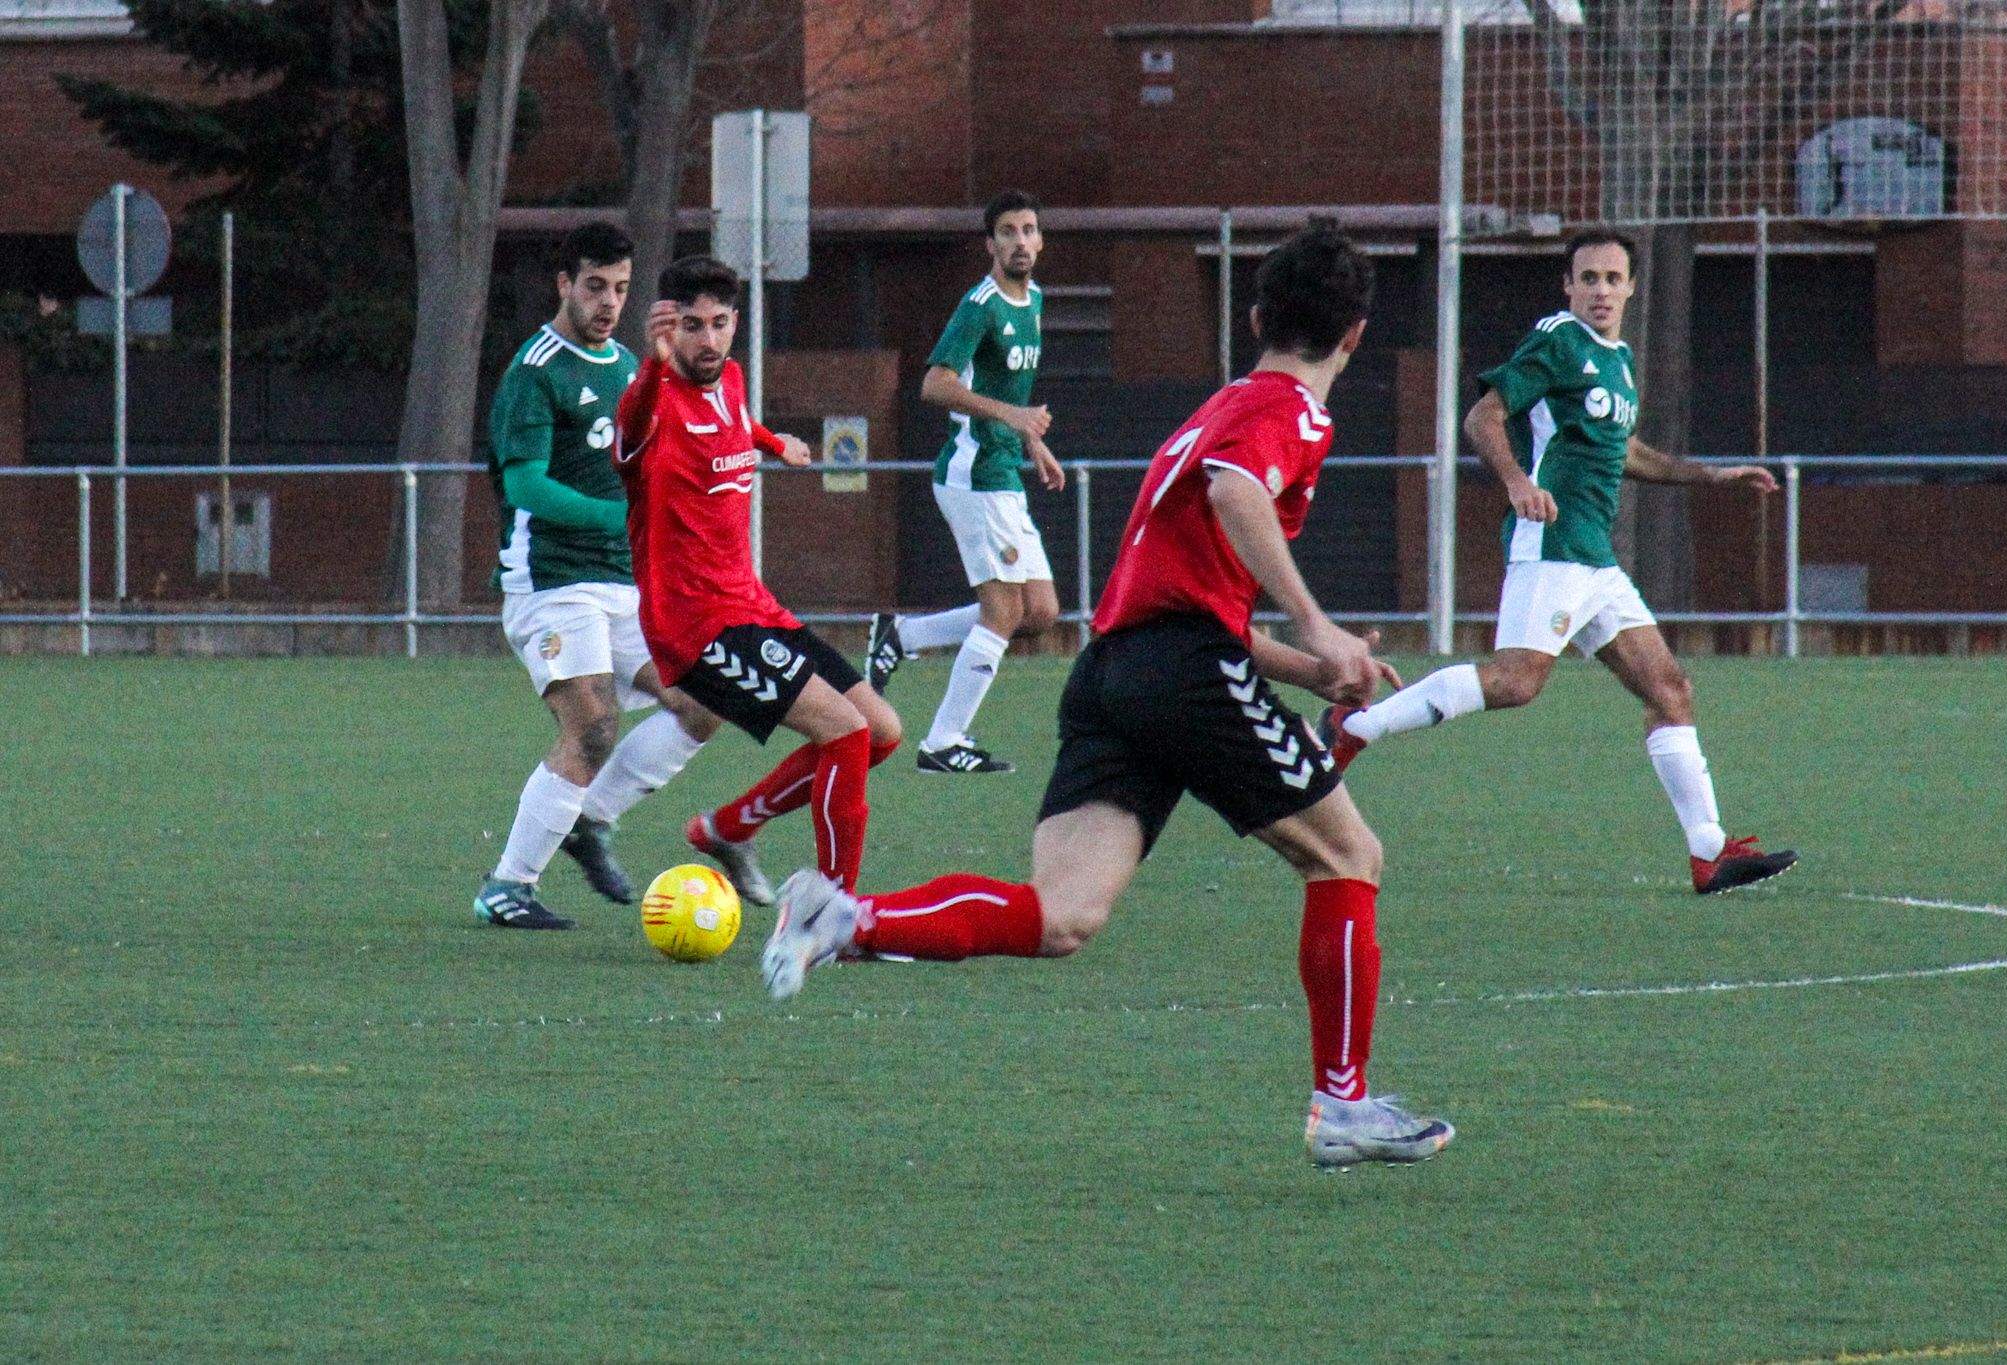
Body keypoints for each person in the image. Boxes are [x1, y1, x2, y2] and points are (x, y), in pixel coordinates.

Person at [761, 224, 1454, 1167]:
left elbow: (1195, 599)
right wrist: (1319, 624)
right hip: (1181, 671)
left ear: (1256, 318)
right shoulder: (1290, 410)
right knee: (1349, 855)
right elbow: (1238, 496)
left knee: (1060, 916)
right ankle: (1343, 1103)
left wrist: (1314, 664)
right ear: (1357, 335)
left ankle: (846, 919)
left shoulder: (1219, 407)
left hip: (1116, 671)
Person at [1323, 228, 1796, 896]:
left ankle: (1709, 852)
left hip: (1594, 559)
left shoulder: (1619, 360)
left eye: (1613, 278)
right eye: (1589, 278)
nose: (1601, 290)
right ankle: (1355, 726)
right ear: (1568, 285)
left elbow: (1625, 451)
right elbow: (1483, 418)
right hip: (1551, 545)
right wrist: (1517, 482)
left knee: (1670, 690)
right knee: (1516, 682)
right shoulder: (1558, 339)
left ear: (1632, 288)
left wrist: (1712, 476)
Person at [613, 254, 903, 905]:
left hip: (751, 604)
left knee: (881, 731)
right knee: (845, 731)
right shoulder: (653, 403)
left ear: (735, 323)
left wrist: (775, 443)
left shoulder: (733, 379)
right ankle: (833, 916)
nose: (708, 340)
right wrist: (653, 365)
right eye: (692, 326)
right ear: (668, 328)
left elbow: (736, 423)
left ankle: (730, 827)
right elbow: (629, 433)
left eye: (719, 323)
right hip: (696, 626)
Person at [474, 222, 720, 931]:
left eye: (620, 287)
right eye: (594, 286)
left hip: (623, 583)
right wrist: (619, 518)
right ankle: (508, 886)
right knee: (592, 725)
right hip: (551, 583)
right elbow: (524, 485)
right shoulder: (535, 370)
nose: (609, 302)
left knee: (704, 702)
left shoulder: (627, 366)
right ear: (564, 285)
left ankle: (589, 818)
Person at [863, 190, 1063, 775]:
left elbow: (1009, 392)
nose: (1020, 241)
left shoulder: (1034, 300)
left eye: (1028, 230)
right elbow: (935, 384)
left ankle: (902, 636)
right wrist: (1013, 418)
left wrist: (1032, 440)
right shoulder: (980, 306)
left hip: (1002, 470)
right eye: (1008, 231)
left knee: (1040, 612)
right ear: (990, 244)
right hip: (972, 475)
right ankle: (943, 743)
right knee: (1002, 610)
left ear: (1040, 240)